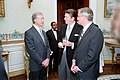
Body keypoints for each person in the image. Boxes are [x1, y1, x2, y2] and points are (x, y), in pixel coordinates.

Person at [71, 7, 104, 80]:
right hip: (79, 70)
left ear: (84, 17)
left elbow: (93, 55)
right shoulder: (82, 31)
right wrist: (74, 60)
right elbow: (78, 48)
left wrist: (79, 67)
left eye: (78, 16)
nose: (77, 18)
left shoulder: (96, 32)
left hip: (88, 72)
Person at [24, 12, 51, 80]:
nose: (43, 20)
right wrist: (42, 62)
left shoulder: (44, 32)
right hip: (35, 66)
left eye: (43, 18)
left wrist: (47, 58)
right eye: (41, 19)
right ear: (35, 20)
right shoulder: (29, 33)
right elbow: (31, 51)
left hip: (45, 65)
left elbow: (48, 46)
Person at [58, 9, 83, 80]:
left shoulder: (80, 28)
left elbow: (82, 44)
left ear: (72, 18)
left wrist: (72, 44)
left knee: (71, 77)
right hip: (61, 55)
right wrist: (59, 43)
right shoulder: (63, 27)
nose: (64, 18)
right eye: (64, 16)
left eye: (66, 17)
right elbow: (59, 38)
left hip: (73, 57)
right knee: (61, 75)